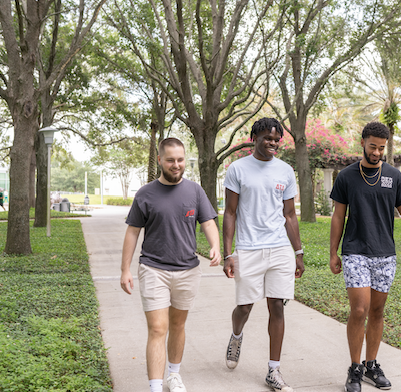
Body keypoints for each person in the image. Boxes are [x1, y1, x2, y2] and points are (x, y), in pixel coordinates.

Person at [329, 122, 401, 392]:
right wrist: (333, 251)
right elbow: (338, 216)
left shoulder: (393, 176)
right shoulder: (346, 176)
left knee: (377, 311)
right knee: (359, 309)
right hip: (355, 251)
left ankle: (371, 365)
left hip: (385, 253)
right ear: (363, 143)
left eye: (381, 148)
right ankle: (354, 369)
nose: (376, 152)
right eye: (372, 146)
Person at [120, 137, 221, 392]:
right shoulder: (145, 194)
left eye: (180, 160)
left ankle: (173, 375)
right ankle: (155, 386)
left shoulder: (195, 191)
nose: (176, 165)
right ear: (160, 161)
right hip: (154, 268)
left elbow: (208, 222)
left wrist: (215, 246)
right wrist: (125, 270)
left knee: (178, 325)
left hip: (188, 269)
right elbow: (132, 232)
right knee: (157, 327)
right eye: (170, 160)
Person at [223, 117, 305, 392]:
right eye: (267, 138)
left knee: (277, 306)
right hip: (248, 248)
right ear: (254, 137)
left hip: (280, 248)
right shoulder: (238, 169)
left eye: (276, 139)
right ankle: (236, 336)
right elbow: (230, 212)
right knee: (245, 307)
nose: (272, 143)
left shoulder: (285, 171)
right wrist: (228, 253)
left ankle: (273, 370)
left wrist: (298, 252)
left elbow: (290, 214)